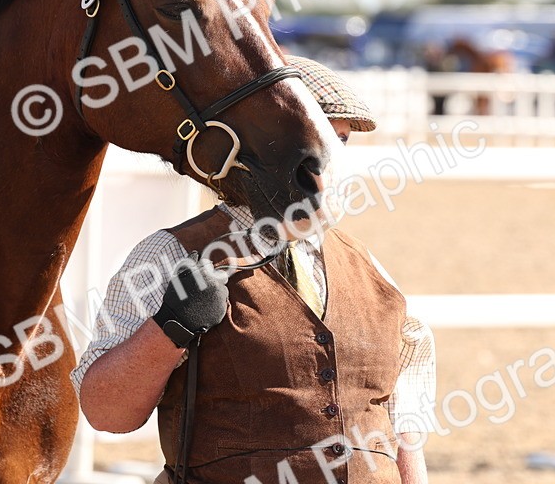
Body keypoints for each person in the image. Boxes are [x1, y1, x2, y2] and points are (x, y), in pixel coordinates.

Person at [71, 57, 436, 484]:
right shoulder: (169, 255)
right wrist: (169, 328)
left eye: (341, 141)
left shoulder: (371, 271)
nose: (331, 158)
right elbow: (106, 412)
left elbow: (403, 429)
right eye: (315, 138)